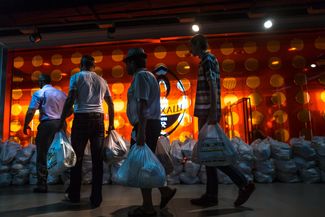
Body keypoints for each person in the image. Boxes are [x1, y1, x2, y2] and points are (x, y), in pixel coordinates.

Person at [189, 34, 255, 207]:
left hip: (207, 112)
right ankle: (211, 195)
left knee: (213, 154)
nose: (190, 50)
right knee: (209, 154)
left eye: (192, 46)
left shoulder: (208, 59)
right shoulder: (207, 60)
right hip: (206, 111)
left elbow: (211, 84)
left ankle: (243, 183)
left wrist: (212, 111)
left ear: (198, 45)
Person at [124, 48, 177, 217]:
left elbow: (142, 104)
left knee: (142, 165)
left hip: (144, 125)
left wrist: (141, 131)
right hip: (149, 124)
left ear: (132, 62)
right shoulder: (150, 77)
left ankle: (148, 207)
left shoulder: (140, 77)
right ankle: (165, 191)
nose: (126, 67)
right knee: (147, 162)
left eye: (127, 63)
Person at [59, 55, 114, 209]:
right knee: (97, 160)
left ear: (81, 65)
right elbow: (110, 103)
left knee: (77, 158)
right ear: (94, 66)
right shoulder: (102, 81)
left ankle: (74, 195)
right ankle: (96, 198)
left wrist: (61, 119)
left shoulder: (76, 77)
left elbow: (70, 99)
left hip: (81, 119)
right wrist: (111, 125)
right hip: (98, 120)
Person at [23, 74, 67, 193]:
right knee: (64, 152)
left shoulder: (40, 93)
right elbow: (71, 110)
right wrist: (61, 120)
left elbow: (31, 110)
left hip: (47, 125)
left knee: (42, 153)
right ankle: (68, 183)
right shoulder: (62, 93)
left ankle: (42, 184)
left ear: (41, 82)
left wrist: (26, 124)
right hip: (61, 124)